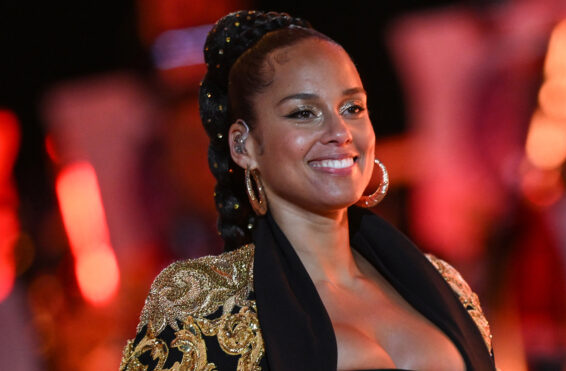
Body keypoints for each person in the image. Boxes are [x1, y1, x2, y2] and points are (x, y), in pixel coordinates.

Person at [120, 10, 496, 371]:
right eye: (303, 113)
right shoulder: (203, 306)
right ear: (243, 146)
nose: (340, 132)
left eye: (352, 107)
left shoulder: (443, 281)